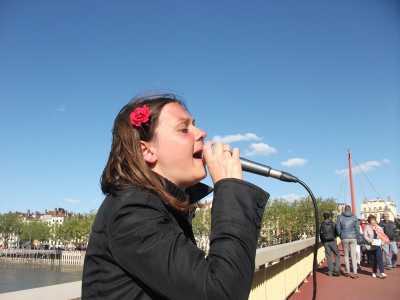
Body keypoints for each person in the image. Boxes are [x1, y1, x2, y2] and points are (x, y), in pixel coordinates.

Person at [81, 94, 270, 300]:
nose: (202, 133)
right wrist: (231, 189)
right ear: (147, 150)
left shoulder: (161, 204)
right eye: (184, 129)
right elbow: (220, 292)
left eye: (195, 125)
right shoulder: (133, 211)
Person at [336, 205, 359, 278]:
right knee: (353, 255)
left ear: (344, 209)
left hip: (344, 237)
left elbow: (337, 228)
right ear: (350, 209)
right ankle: (355, 272)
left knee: (346, 255)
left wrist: (341, 235)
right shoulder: (354, 217)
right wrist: (356, 236)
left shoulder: (340, 217)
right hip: (353, 237)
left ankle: (348, 271)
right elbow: (357, 228)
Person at [364, 214, 389, 279]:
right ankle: (374, 272)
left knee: (379, 257)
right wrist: (370, 240)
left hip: (378, 245)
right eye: (372, 220)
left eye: (374, 220)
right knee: (374, 260)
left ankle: (382, 272)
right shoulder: (367, 227)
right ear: (369, 221)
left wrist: (383, 241)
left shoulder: (379, 227)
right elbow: (365, 236)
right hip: (371, 246)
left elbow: (382, 235)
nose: (373, 222)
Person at [319, 212, 340, 276]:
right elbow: (337, 232)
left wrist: (323, 242)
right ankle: (336, 269)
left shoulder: (322, 224)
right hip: (333, 241)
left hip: (326, 242)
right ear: (329, 217)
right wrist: (335, 237)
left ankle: (330, 271)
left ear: (324, 217)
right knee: (337, 254)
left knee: (328, 256)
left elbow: (320, 234)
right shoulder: (333, 223)